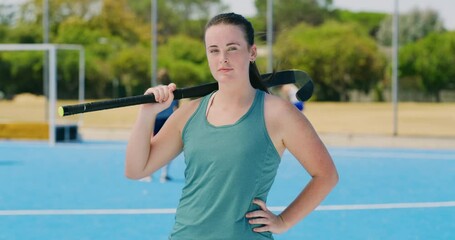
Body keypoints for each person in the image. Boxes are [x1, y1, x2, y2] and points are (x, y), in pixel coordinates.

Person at [125, 12, 338, 239]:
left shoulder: (278, 114)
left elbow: (326, 175)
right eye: (214, 50)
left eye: (232, 48)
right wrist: (146, 114)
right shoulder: (189, 114)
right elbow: (136, 169)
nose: (222, 58)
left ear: (252, 52)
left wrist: (284, 221)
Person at [138, 69, 179, 183]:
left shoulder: (157, 90)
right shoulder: (173, 90)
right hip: (167, 119)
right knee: (168, 146)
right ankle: (164, 174)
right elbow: (177, 108)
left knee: (153, 146)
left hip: (159, 120)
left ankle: (149, 174)